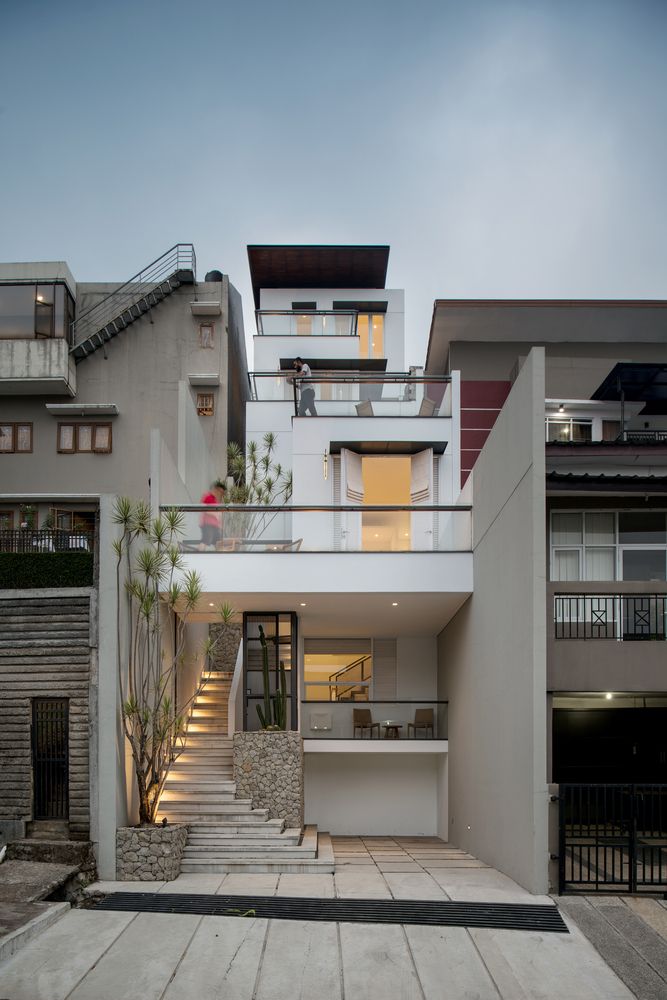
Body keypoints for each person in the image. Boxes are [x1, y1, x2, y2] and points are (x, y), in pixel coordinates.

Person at [199, 482, 224, 550]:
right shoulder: (208, 496)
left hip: (215, 525)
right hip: (207, 524)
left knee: (217, 541)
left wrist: (219, 524)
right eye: (220, 491)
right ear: (216, 489)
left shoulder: (215, 500)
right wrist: (215, 514)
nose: (220, 493)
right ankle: (199, 555)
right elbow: (204, 508)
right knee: (206, 540)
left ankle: (220, 557)